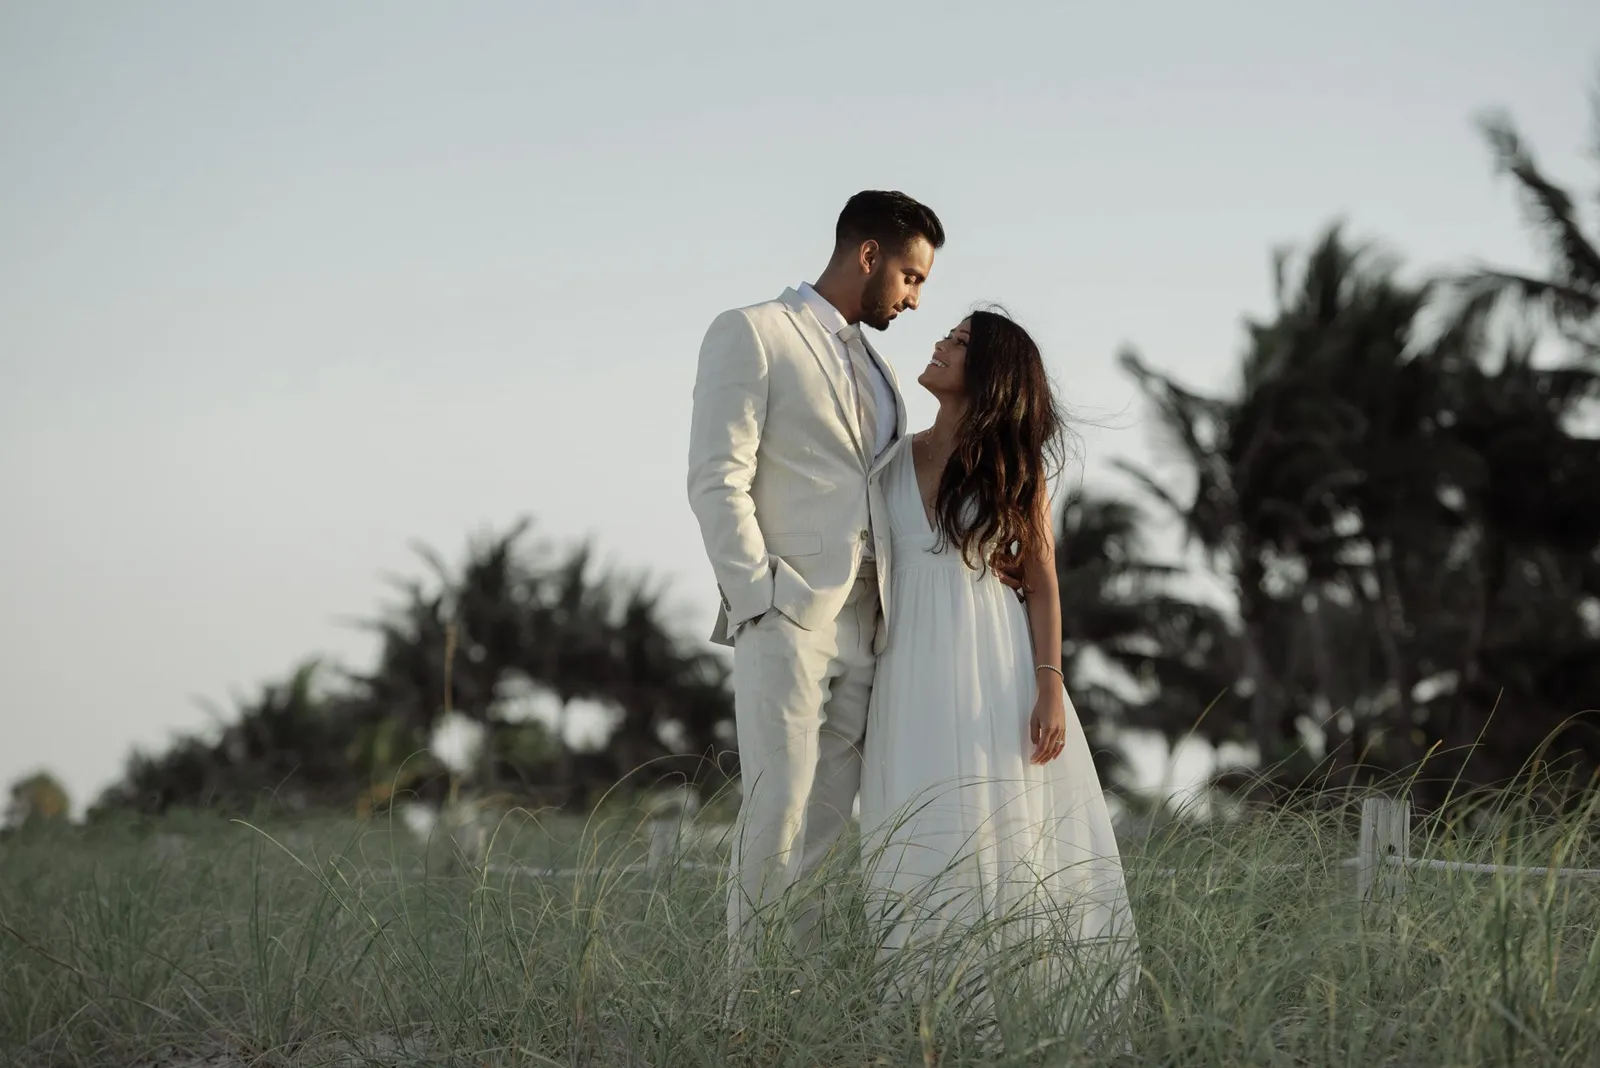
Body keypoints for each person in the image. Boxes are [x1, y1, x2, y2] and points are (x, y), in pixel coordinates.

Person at [685, 190, 944, 989]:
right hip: (789, 614)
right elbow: (715, 479)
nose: (913, 297)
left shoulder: (883, 369)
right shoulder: (753, 332)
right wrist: (759, 598)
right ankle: (747, 1008)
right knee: (777, 816)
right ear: (867, 255)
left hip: (870, 627)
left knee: (830, 830)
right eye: (909, 275)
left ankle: (796, 1002)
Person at [858, 308, 1138, 1039]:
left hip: (992, 668)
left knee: (996, 830)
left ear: (988, 375)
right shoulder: (886, 455)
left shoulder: (1013, 472)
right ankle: (920, 1027)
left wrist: (1049, 683)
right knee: (910, 829)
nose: (940, 346)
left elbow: (1041, 581)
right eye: (947, 336)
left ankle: (1007, 1025)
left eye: (957, 343)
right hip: (905, 667)